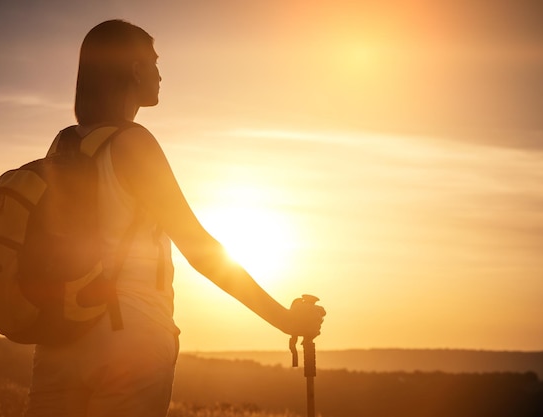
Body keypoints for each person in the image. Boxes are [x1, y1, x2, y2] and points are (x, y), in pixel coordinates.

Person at [25, 19, 326, 417]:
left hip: (59, 339)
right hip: (129, 338)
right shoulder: (134, 143)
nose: (160, 73)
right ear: (135, 69)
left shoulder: (62, 143)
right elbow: (200, 251)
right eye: (153, 62)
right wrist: (286, 320)